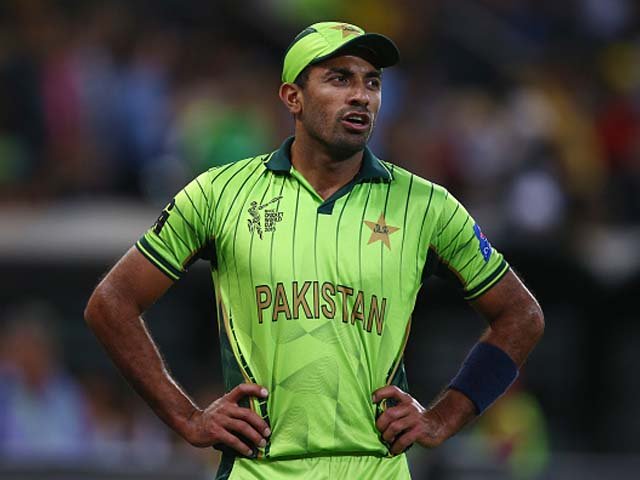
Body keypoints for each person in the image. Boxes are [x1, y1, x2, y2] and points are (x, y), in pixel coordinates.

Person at [85, 21, 544, 480]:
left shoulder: (426, 206)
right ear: (292, 98)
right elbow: (110, 304)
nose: (361, 95)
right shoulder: (218, 195)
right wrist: (185, 417)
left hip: (375, 470)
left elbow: (521, 316)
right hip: (258, 470)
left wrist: (444, 417)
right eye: (340, 78)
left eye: (373, 82)